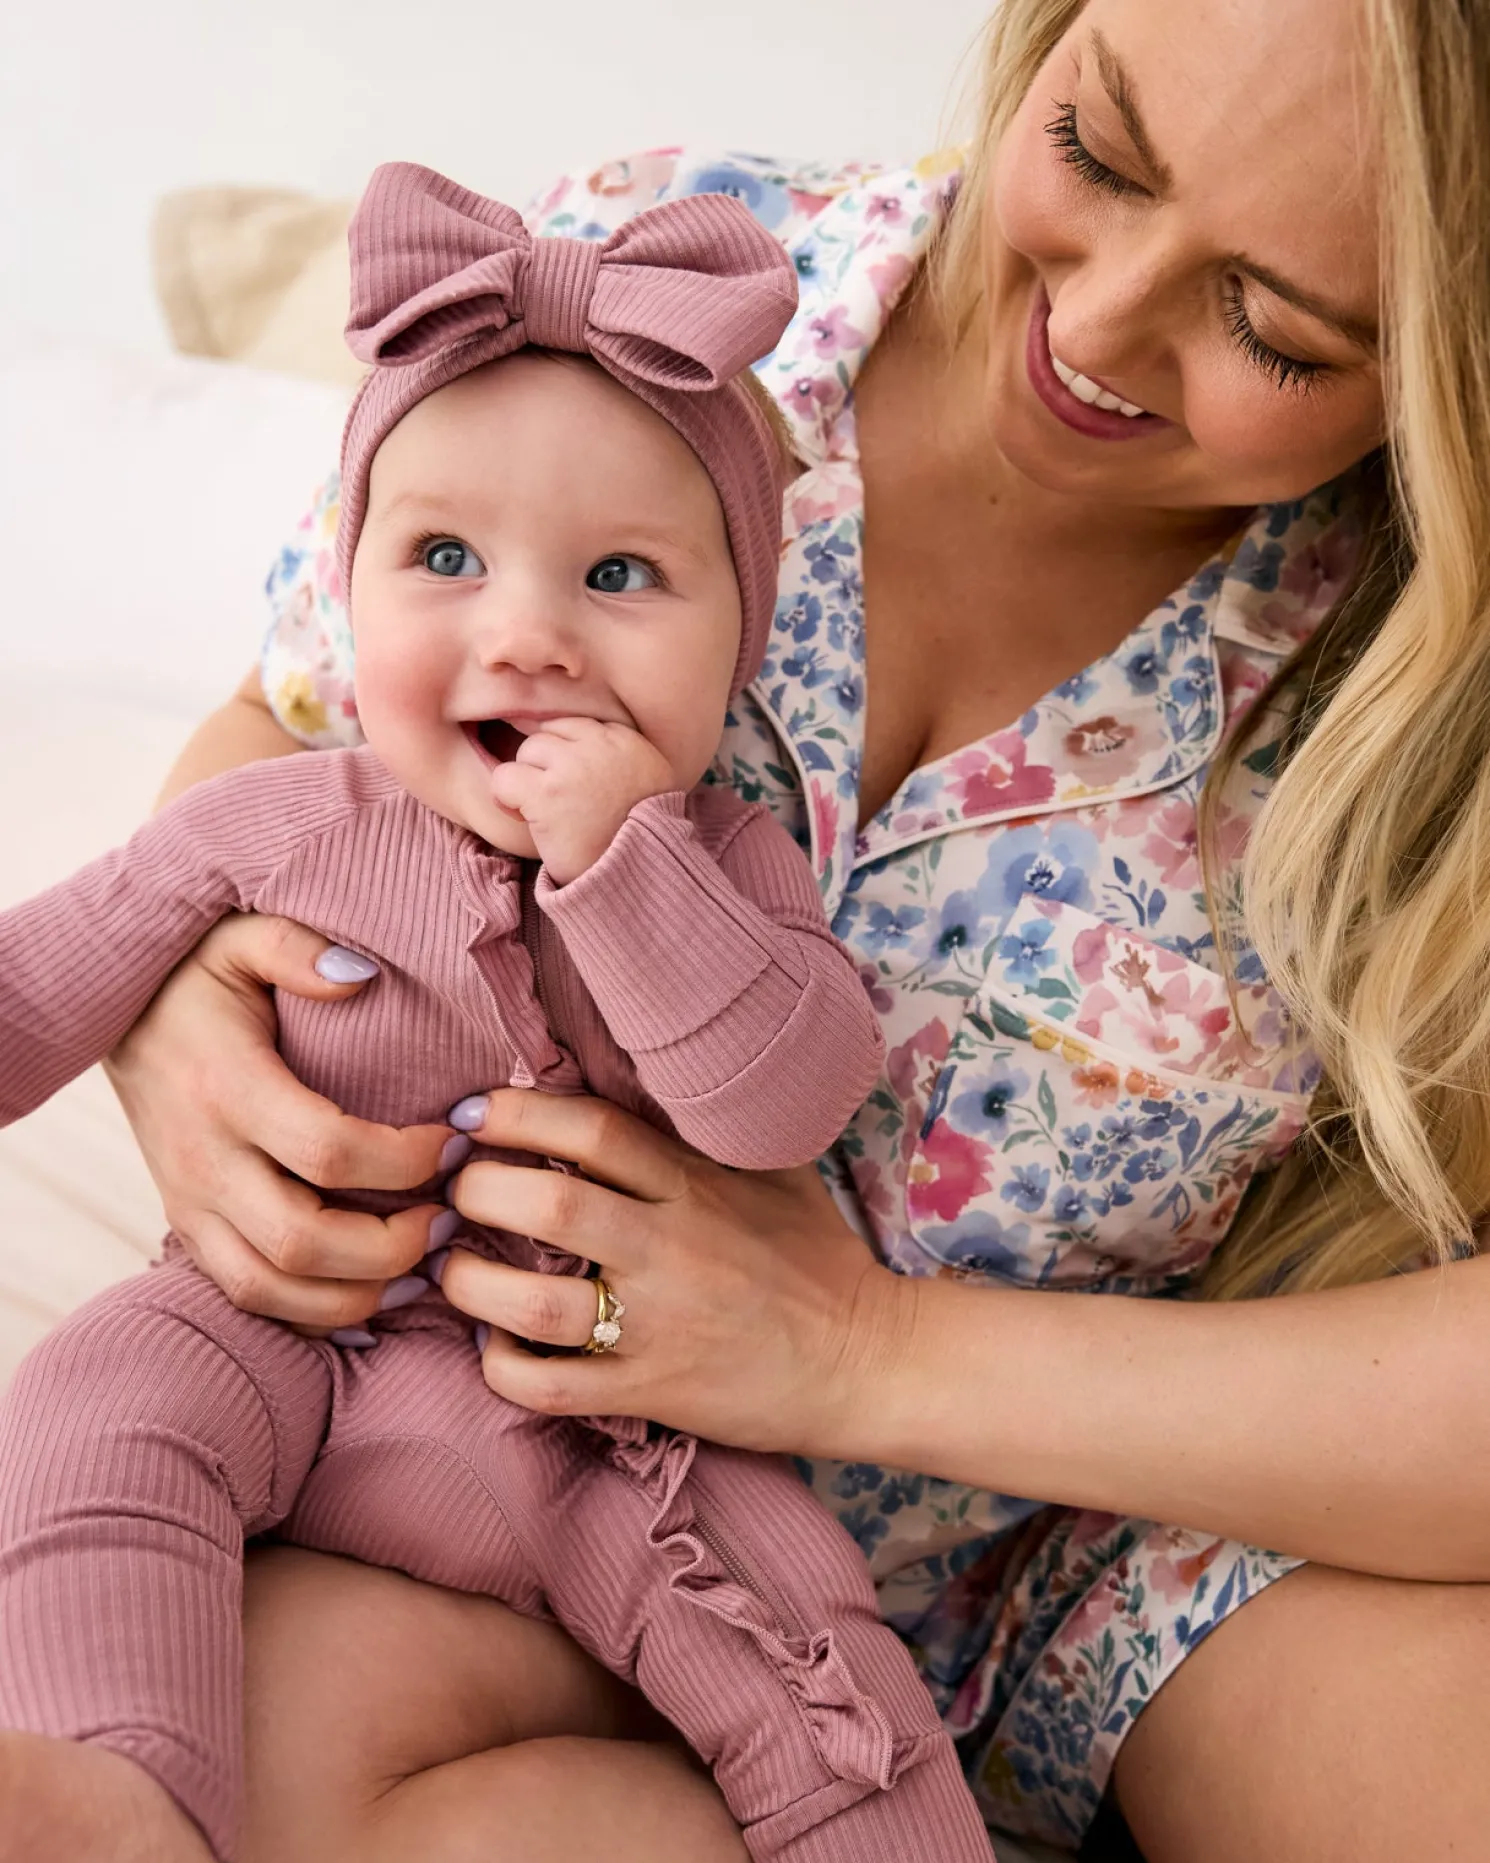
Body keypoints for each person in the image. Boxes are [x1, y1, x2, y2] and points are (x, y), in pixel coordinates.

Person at [7, 0, 1489, 1857]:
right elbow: (291, 739)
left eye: (1276, 326)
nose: (1095, 327)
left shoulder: (1435, 676)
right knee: (219, 1745)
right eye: (1097, 148)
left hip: (1101, 1526)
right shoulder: (669, 274)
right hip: (475, 1431)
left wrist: (860, 1350)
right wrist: (189, 1031)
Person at [0, 168, 1009, 1863]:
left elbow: (779, 1101)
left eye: (620, 575)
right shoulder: (288, 821)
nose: (524, 632)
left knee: (815, 1661)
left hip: (613, 1437)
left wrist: (622, 863)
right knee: (91, 1405)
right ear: (351, 587)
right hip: (281, 1342)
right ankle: (117, 1788)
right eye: (445, 556)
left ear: (736, 643)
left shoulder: (726, 862)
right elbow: (43, 975)